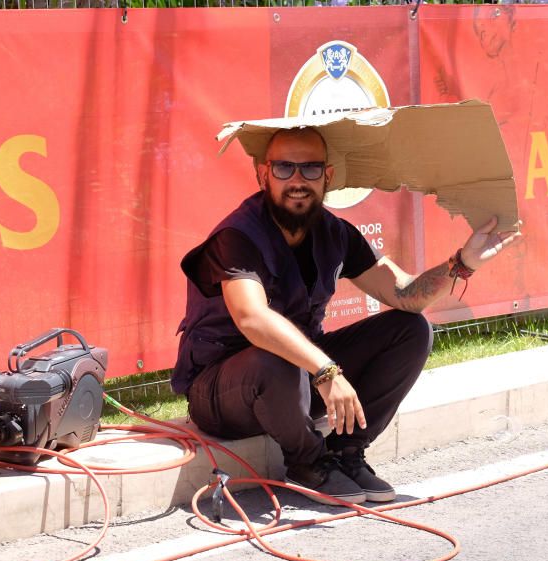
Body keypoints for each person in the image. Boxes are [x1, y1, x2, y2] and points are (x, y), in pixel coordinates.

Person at [171, 127, 521, 505]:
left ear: (328, 176)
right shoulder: (238, 236)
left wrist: (462, 263)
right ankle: (308, 463)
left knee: (411, 330)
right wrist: (326, 372)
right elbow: (252, 319)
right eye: (285, 168)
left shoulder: (336, 233)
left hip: (298, 382)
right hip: (222, 392)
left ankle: (345, 452)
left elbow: (403, 294)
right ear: (263, 173)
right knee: (276, 355)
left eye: (310, 169)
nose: (298, 180)